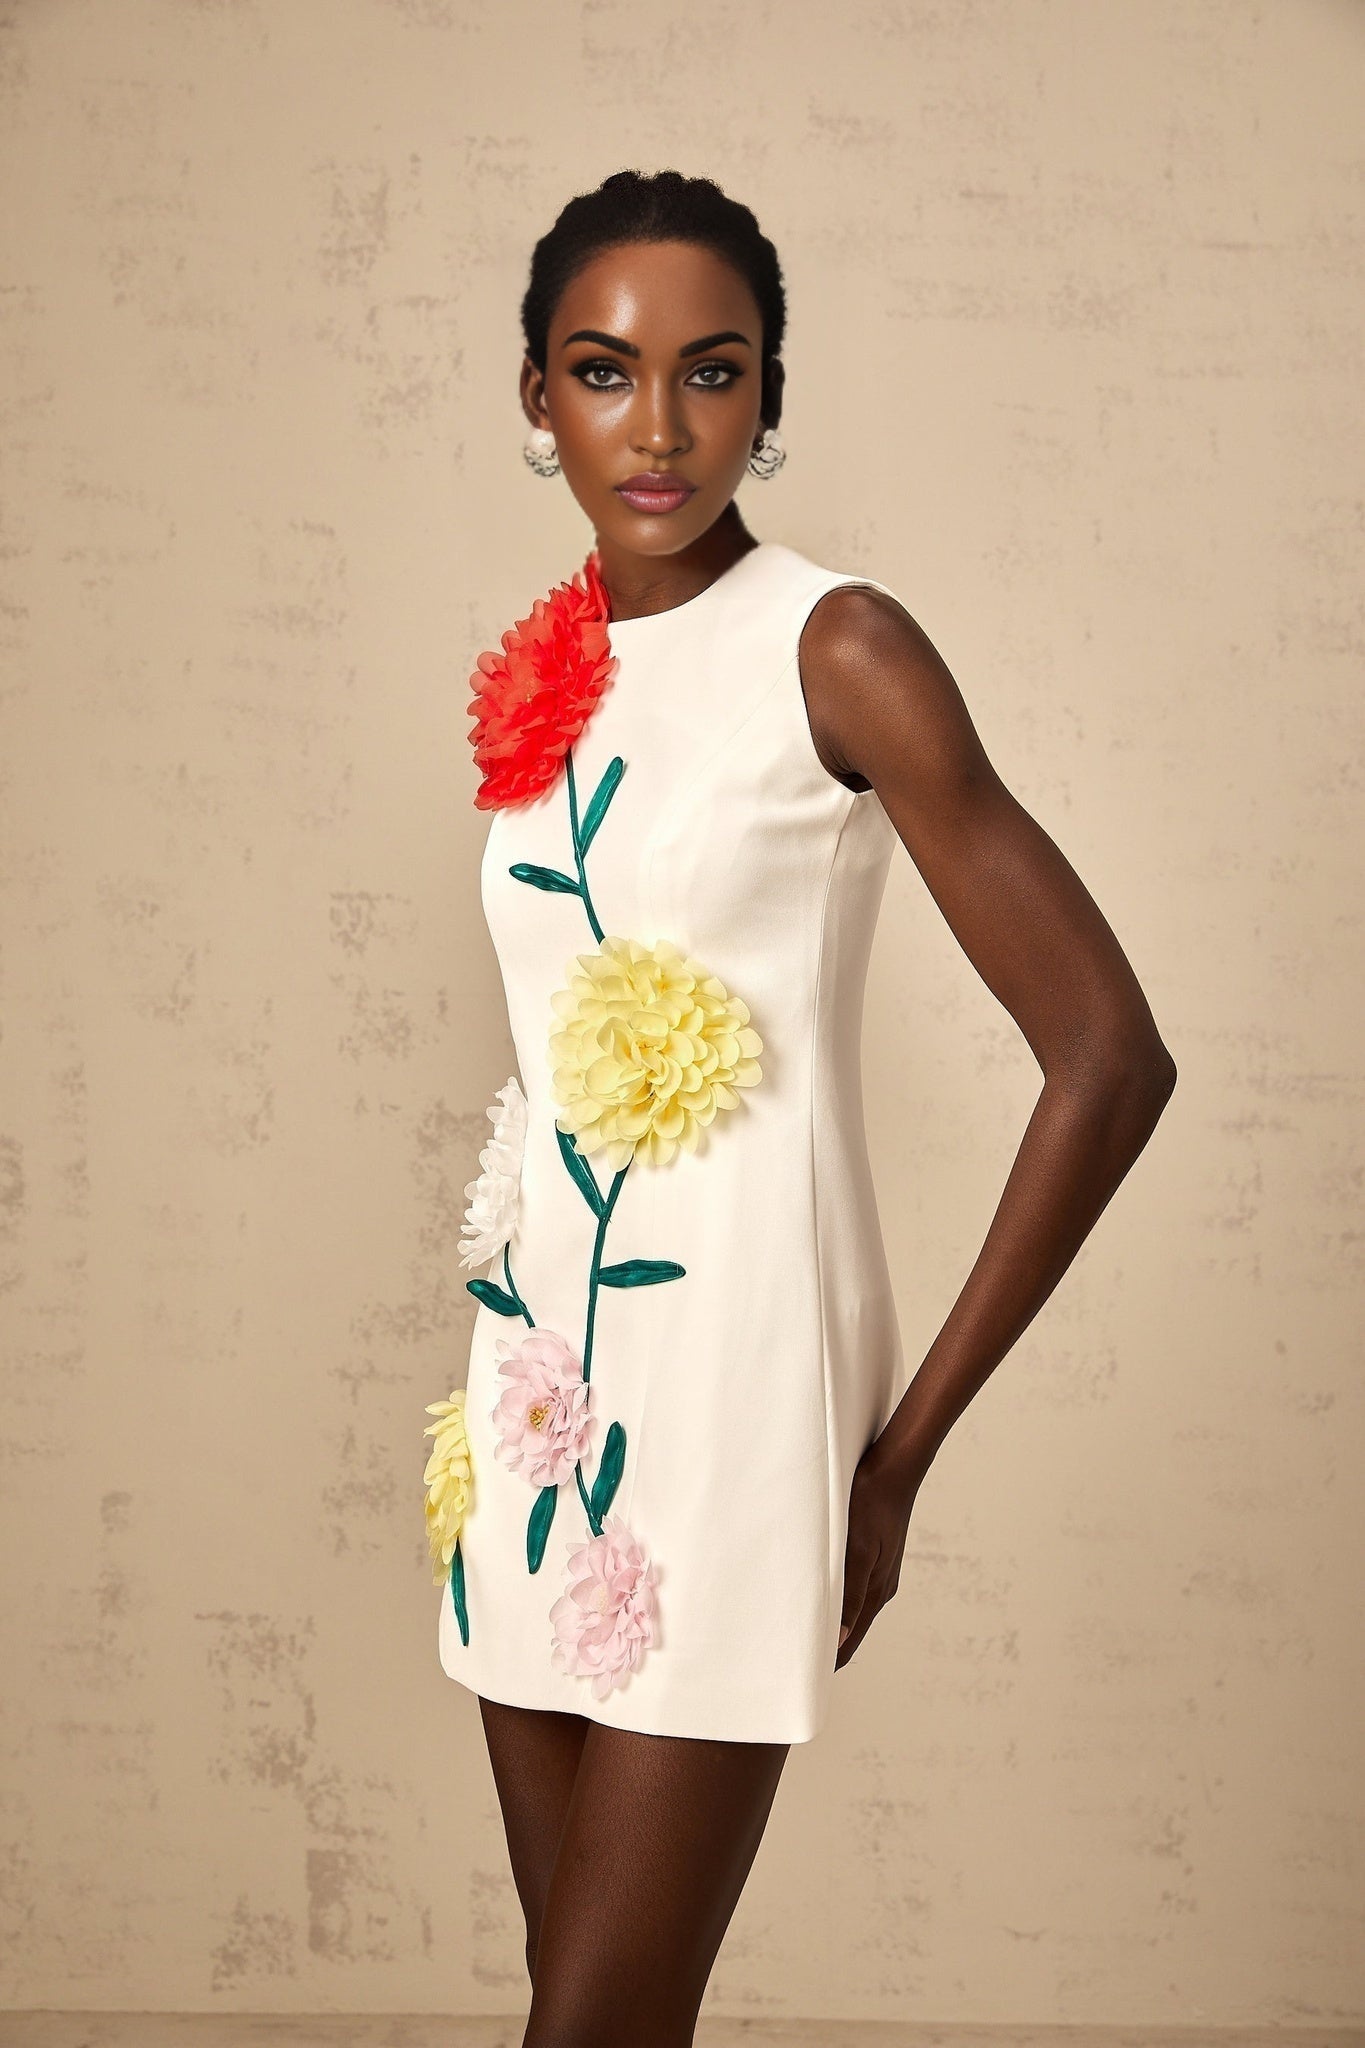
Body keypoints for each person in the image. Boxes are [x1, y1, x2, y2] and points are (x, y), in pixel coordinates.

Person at [423, 169, 1177, 2048]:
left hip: (735, 1411)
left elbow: (1108, 1056)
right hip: (531, 1408)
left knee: (587, 2031)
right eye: (603, 373)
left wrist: (893, 1457)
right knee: (595, 2019)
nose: (657, 428)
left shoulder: (834, 645)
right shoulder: (549, 673)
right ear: (535, 398)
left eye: (712, 372)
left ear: (770, 392)